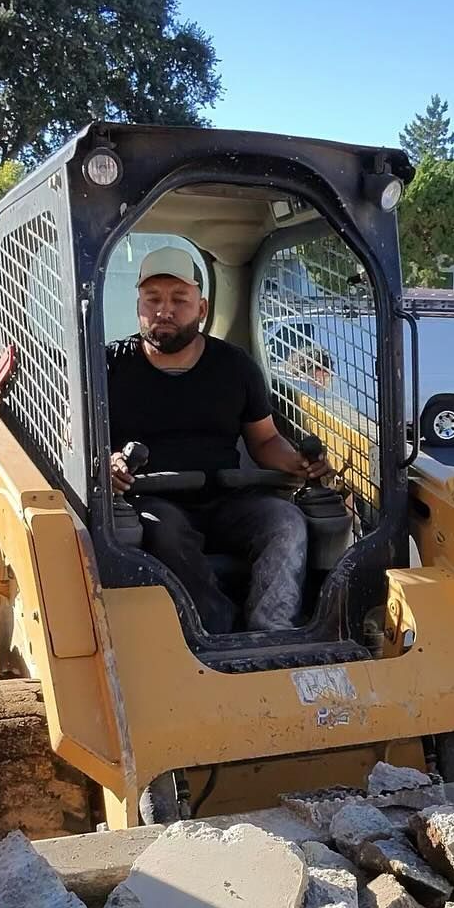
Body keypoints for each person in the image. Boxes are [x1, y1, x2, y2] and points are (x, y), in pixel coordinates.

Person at [106, 247, 330, 633]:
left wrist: (296, 462)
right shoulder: (109, 367)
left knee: (286, 520)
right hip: (155, 499)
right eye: (153, 299)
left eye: (179, 300)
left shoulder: (235, 367)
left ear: (202, 308)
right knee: (164, 528)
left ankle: (271, 630)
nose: (164, 310)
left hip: (226, 497)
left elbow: (264, 441)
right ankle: (213, 632)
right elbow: (86, 443)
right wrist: (108, 463)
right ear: (139, 304)